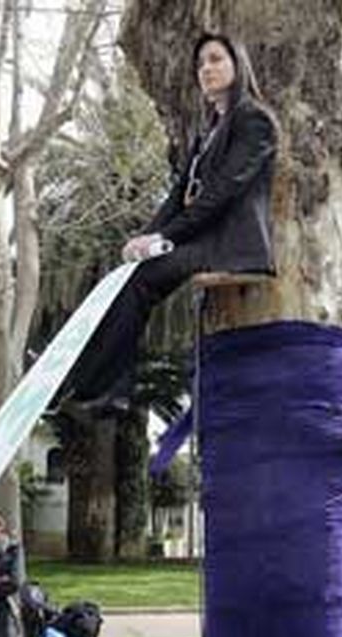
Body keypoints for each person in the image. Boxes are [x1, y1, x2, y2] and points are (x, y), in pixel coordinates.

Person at [61, 32, 278, 413]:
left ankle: (108, 390)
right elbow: (178, 196)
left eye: (215, 59)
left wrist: (165, 237)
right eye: (201, 64)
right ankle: (89, 384)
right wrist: (144, 238)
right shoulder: (207, 133)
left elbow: (221, 194)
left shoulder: (254, 120)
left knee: (141, 282)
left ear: (237, 65)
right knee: (126, 275)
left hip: (228, 244)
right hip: (202, 238)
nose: (206, 69)